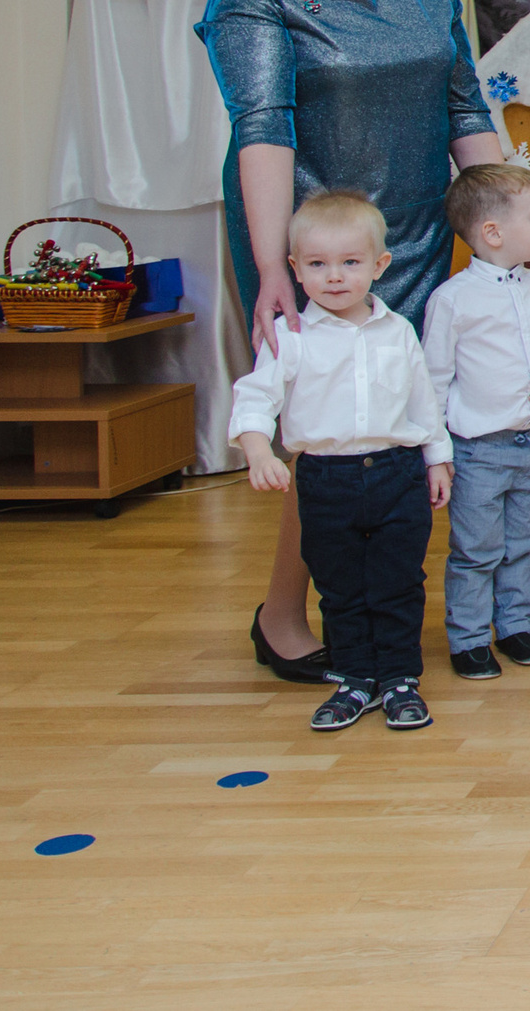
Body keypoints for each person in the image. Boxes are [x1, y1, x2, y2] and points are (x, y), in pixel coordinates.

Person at [199, 0, 502, 685]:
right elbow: (261, 124)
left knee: (400, 429)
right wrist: (270, 267)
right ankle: (285, 613)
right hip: (312, 243)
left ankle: (377, 610)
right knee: (327, 431)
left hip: (409, 230)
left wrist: (505, 229)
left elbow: (464, 108)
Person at [228, 192, 448, 733]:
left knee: (398, 580)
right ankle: (354, 678)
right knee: (341, 584)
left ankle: (399, 678)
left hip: (397, 472)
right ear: (295, 270)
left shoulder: (399, 332)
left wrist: (437, 460)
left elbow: (423, 401)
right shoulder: (290, 338)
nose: (334, 277)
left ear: (379, 266)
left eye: (350, 263)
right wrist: (258, 449)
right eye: (318, 264)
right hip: (326, 480)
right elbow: (256, 396)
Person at [423, 164, 530, 680]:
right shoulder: (452, 300)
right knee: (476, 550)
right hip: (477, 450)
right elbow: (432, 383)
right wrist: (438, 456)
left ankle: (515, 625)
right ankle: (469, 638)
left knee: (520, 543)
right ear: (493, 232)